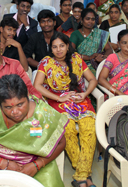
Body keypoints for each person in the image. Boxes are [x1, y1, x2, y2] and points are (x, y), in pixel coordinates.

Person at [0, 74, 67, 187]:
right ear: (0, 104)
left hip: (36, 162)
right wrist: (4, 163)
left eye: (20, 104)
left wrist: (37, 164)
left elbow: (61, 142)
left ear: (28, 96)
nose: (15, 112)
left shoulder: (43, 114)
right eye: (8, 107)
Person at [33, 32, 98, 187]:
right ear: (51, 48)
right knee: (67, 130)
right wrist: (58, 98)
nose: (59, 50)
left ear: (68, 46)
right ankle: (84, 176)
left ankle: (80, 176)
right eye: (55, 47)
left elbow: (92, 79)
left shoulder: (76, 59)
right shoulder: (46, 62)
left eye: (62, 46)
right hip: (58, 102)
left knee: (89, 129)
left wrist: (85, 94)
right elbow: (37, 86)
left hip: (80, 101)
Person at [70, 8, 113, 75]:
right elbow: (71, 54)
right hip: (82, 65)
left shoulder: (99, 33)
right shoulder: (75, 34)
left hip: (99, 63)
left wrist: (103, 57)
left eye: (93, 19)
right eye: (87, 19)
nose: (90, 21)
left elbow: (109, 49)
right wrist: (89, 57)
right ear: (82, 20)